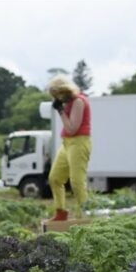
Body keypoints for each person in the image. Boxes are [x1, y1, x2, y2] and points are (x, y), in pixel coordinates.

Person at [47, 74, 92, 221]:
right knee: (55, 178)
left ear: (65, 90)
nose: (57, 98)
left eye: (57, 95)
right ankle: (61, 212)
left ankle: (85, 216)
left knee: (77, 182)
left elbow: (72, 128)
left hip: (79, 142)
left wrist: (60, 111)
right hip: (67, 143)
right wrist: (62, 109)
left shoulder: (79, 101)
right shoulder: (69, 102)